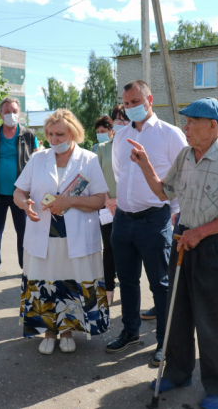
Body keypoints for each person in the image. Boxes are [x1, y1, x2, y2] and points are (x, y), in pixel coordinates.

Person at [129, 98, 218, 409]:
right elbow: (163, 192)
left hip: (212, 245)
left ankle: (217, 386)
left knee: (211, 320)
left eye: (192, 122)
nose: (186, 127)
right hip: (184, 240)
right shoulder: (185, 154)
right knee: (177, 313)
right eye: (185, 122)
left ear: (213, 126)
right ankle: (179, 372)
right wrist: (144, 163)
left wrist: (200, 232)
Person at [13, 109, 110, 355]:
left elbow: (99, 200)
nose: (54, 140)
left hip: (76, 237)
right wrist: (24, 204)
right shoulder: (37, 159)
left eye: (59, 134)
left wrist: (69, 201)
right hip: (42, 236)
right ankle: (48, 331)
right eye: (50, 134)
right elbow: (19, 192)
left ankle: (67, 331)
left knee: (69, 283)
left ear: (73, 134)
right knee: (45, 283)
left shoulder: (88, 159)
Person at [106, 80, 187, 366]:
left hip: (155, 219)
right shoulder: (121, 135)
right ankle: (130, 332)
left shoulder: (170, 134)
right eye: (126, 104)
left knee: (160, 284)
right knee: (127, 281)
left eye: (135, 102)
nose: (130, 108)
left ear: (150, 99)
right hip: (123, 221)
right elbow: (119, 172)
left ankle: (165, 342)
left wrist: (176, 212)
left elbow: (182, 176)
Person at [0, 96, 38, 279]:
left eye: (14, 111)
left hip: (21, 193)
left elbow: (36, 159)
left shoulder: (29, 135)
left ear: (19, 114)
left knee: (24, 231)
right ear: (0, 114)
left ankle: (26, 267)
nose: (10, 114)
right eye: (7, 111)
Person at [95, 113, 119, 304]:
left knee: (130, 251)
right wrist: (107, 200)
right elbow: (96, 177)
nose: (101, 135)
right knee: (109, 248)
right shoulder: (101, 149)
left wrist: (120, 201)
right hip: (106, 207)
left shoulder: (133, 147)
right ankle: (108, 290)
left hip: (129, 206)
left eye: (104, 132)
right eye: (98, 132)